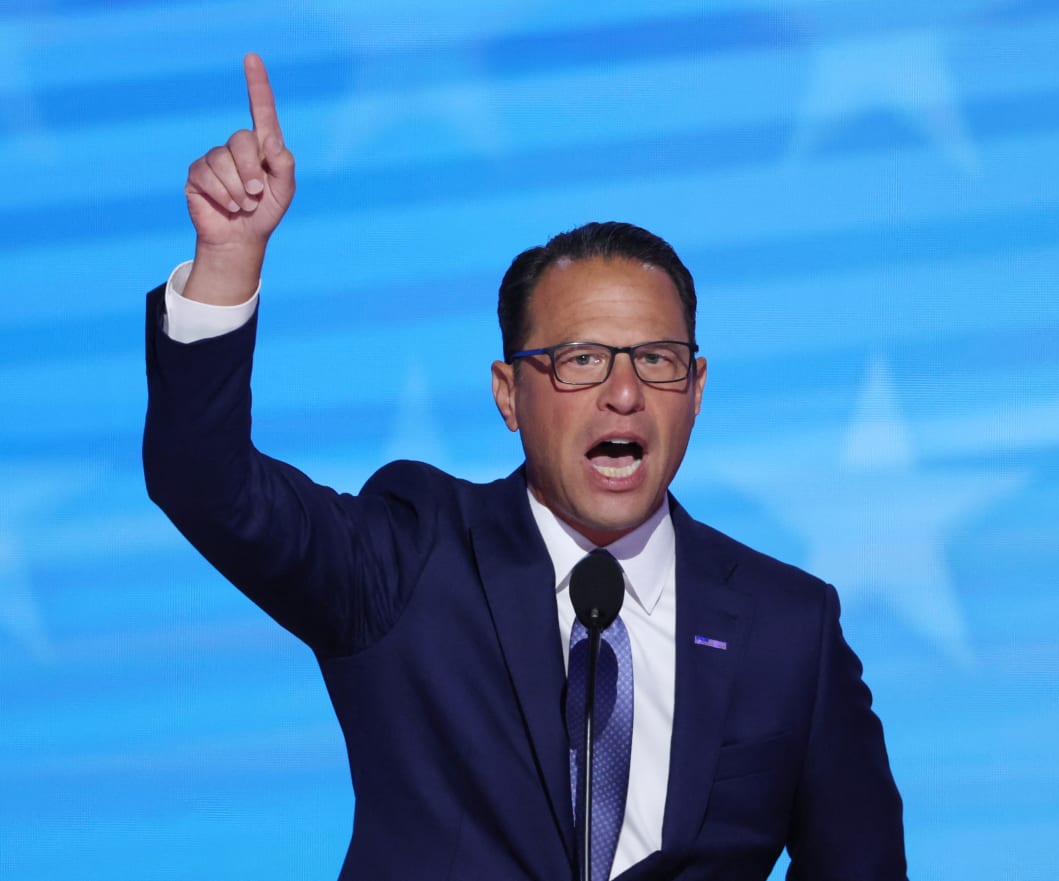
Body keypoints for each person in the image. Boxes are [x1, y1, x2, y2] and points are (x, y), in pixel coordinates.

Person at [143, 54, 905, 880]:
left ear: (695, 389)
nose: (623, 393)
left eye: (655, 359)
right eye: (579, 360)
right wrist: (225, 266)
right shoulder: (411, 559)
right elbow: (205, 482)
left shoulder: (790, 627)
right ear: (510, 394)